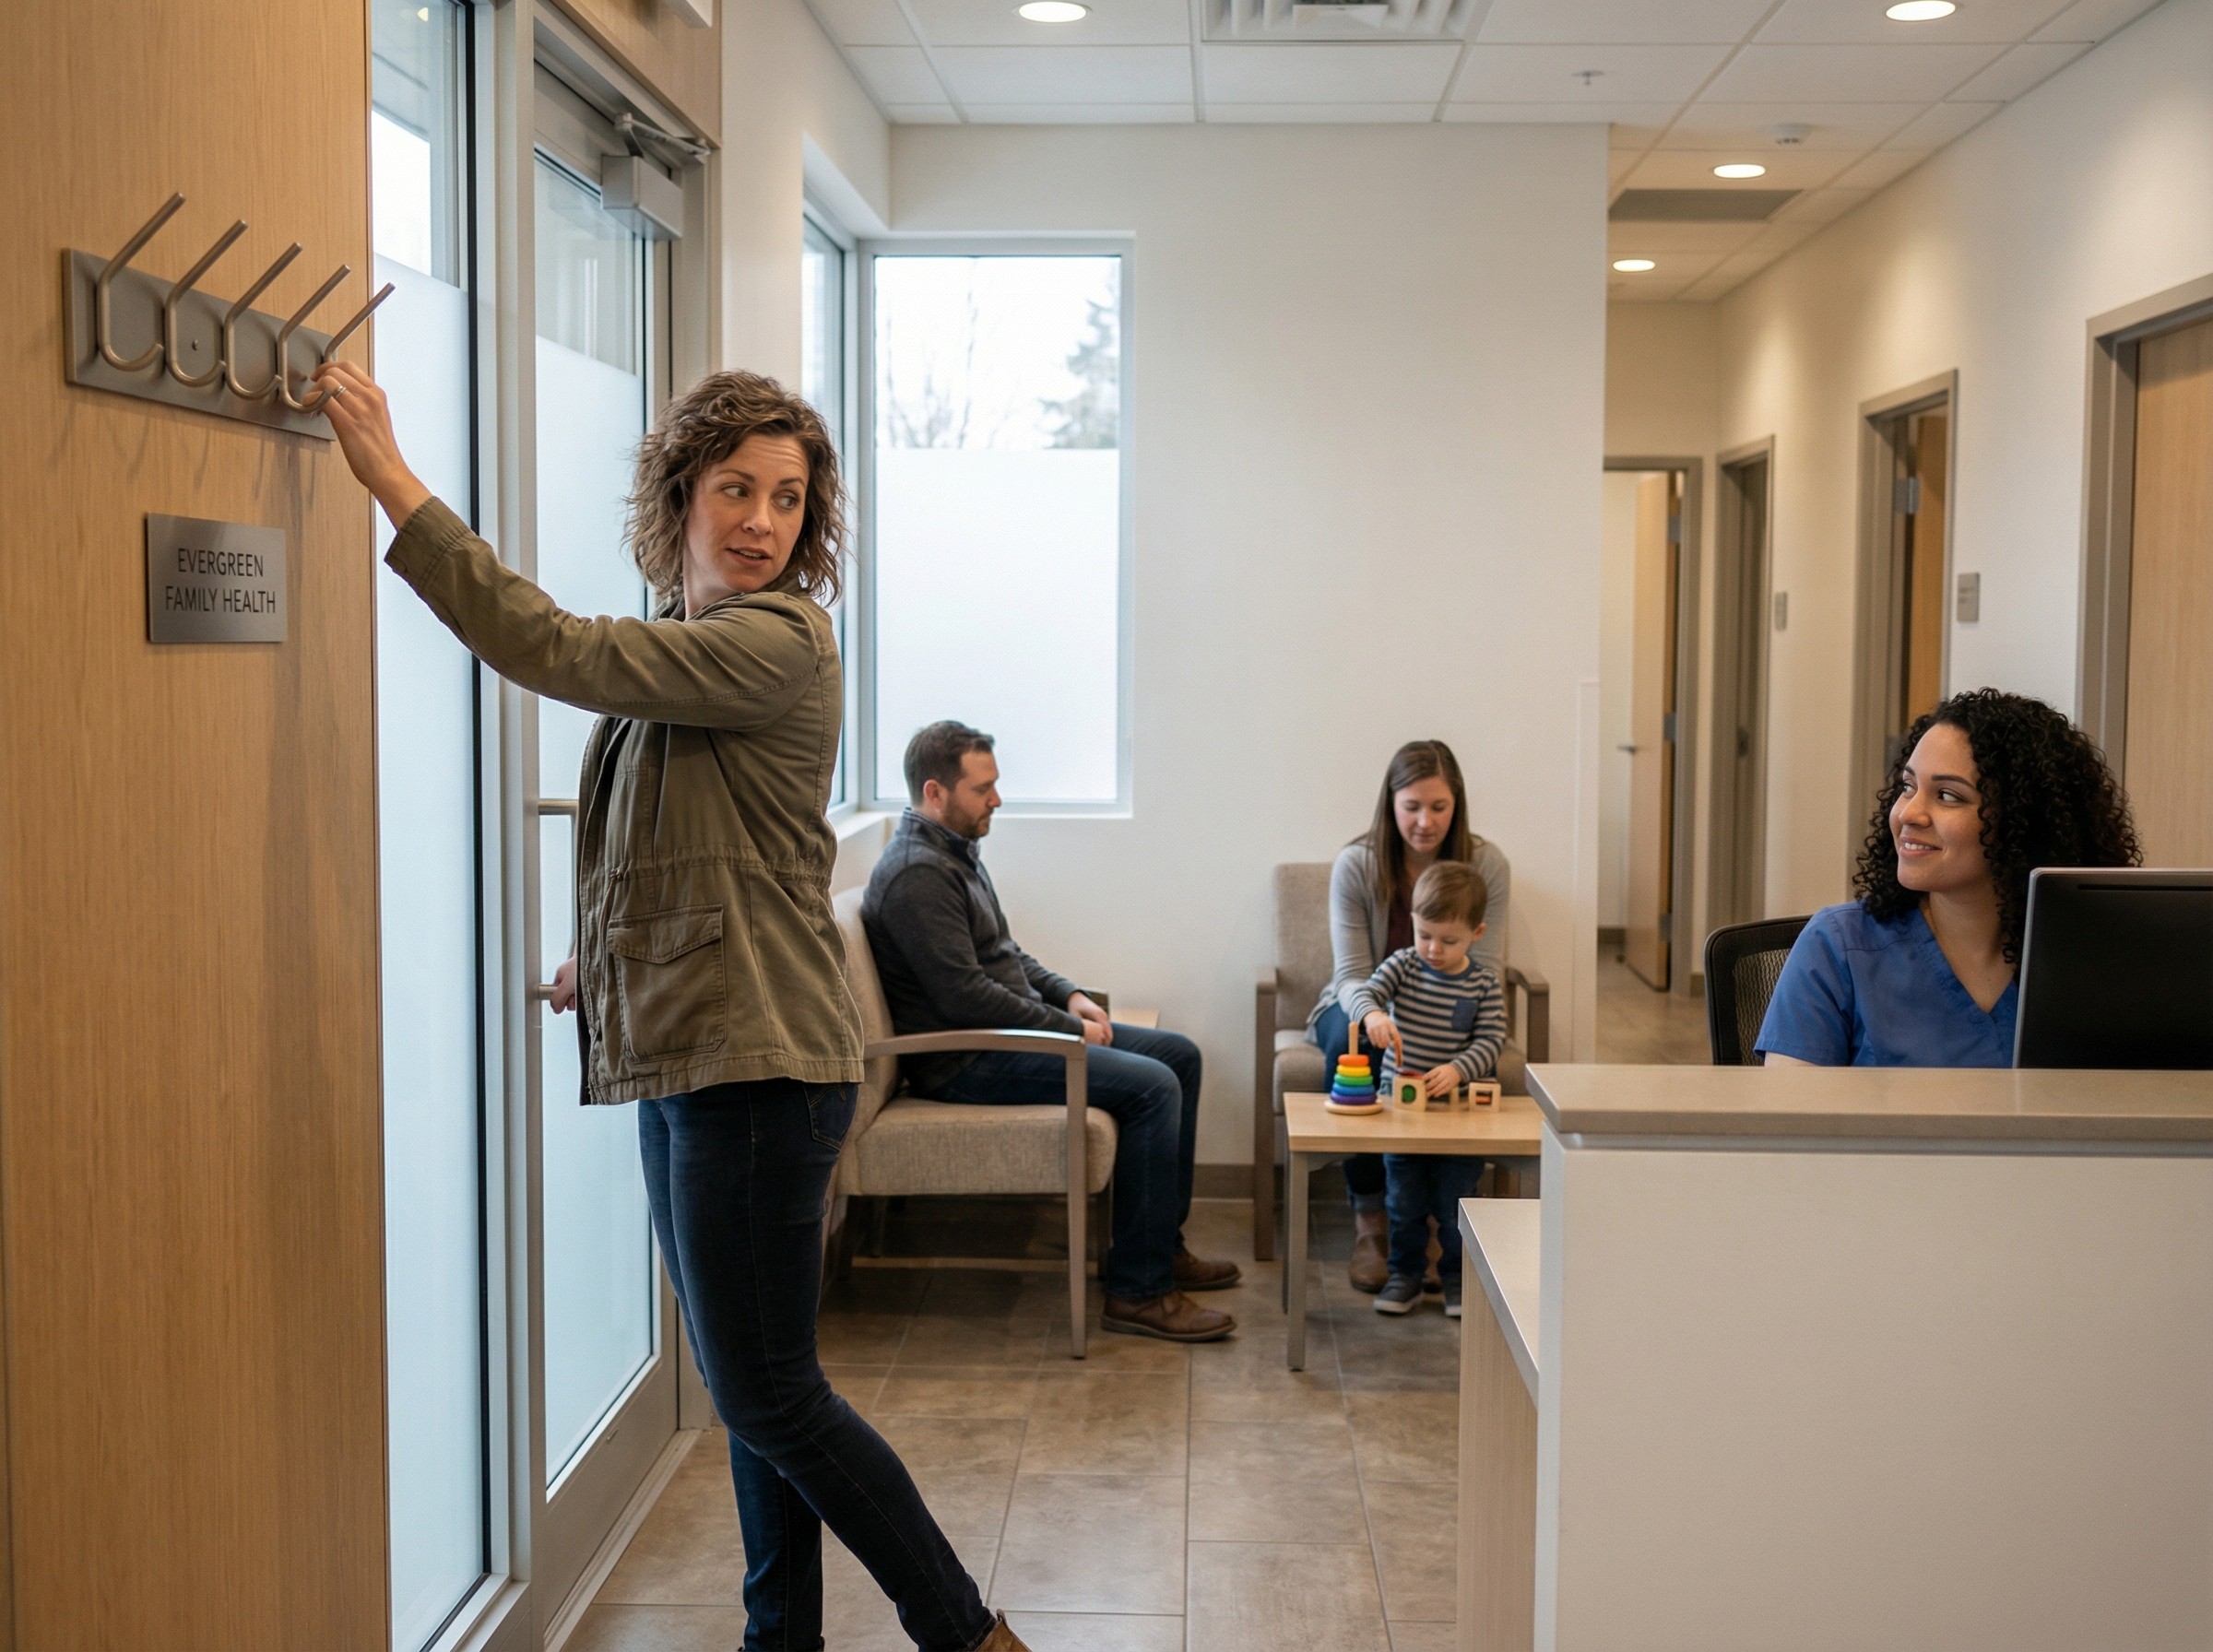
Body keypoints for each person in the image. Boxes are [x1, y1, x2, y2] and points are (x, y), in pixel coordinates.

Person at [314, 360, 1029, 1652]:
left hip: (763, 1069)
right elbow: (670, 839)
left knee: (767, 1392)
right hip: (701, 1052)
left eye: (790, 499)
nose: (764, 521)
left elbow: (556, 650)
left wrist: (392, 484)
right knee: (756, 1388)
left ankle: (964, 1632)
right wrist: (603, 956)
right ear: (683, 494)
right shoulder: (697, 641)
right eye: (739, 489)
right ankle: (780, 1639)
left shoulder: (778, 639)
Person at [862, 721, 1241, 1343]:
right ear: (935, 792)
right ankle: (1138, 1293)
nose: (997, 800)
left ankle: (1158, 1250)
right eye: (983, 789)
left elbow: (1008, 955)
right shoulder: (916, 876)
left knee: (1181, 1056)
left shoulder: (954, 852)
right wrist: (1067, 1030)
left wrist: (1073, 997)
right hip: (965, 1060)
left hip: (1006, 1034)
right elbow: (965, 999)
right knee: (1155, 1088)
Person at [1758, 688, 2139, 1068]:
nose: (1909, 813)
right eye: (1908, 787)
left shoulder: (2090, 957)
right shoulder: (1839, 948)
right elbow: (1790, 1120)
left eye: (1947, 796)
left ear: (2022, 823)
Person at [1309, 739, 1511, 1293]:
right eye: (1412, 806)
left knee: (1450, 1055)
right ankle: (1372, 1220)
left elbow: (1485, 975)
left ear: (1457, 805)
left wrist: (1457, 1046)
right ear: (1390, 803)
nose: (1425, 822)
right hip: (1361, 1003)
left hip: (1450, 1010)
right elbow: (1351, 973)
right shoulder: (1358, 864)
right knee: (1354, 1047)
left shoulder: (1486, 864)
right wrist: (1374, 1015)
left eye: (1439, 807)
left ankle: (1436, 1223)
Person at [1349, 862, 1508, 1319]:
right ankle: (1405, 1275)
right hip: (1403, 1113)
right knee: (1404, 1202)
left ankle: (1456, 1279)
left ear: (1476, 933)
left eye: (1448, 940)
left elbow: (1492, 1038)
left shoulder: (1482, 983)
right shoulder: (1403, 965)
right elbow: (1365, 994)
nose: (1433, 949)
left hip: (1460, 1117)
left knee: (1456, 1202)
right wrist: (1374, 1016)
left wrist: (1459, 1069)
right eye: (1424, 935)